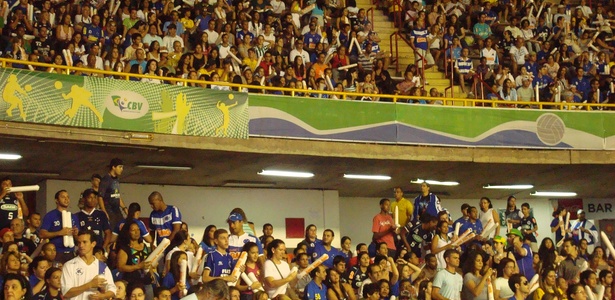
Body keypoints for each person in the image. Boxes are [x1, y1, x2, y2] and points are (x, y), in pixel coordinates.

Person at [61, 230, 117, 300]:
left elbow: (112, 290)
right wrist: (90, 285)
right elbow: (66, 293)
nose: (81, 245)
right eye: (79, 242)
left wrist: (102, 296)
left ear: (93, 244)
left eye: (84, 242)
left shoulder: (102, 267)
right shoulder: (69, 266)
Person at [115, 219, 153, 299]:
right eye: (133, 230)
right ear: (128, 232)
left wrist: (151, 272)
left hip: (146, 282)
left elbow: (147, 262)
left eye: (138, 229)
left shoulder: (144, 246)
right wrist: (138, 266)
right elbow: (120, 267)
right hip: (132, 284)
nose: (137, 232)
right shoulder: (124, 249)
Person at [40, 190, 80, 264]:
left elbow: (78, 240)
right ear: (56, 200)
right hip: (56, 253)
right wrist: (59, 233)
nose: (66, 199)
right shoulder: (50, 215)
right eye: (63, 197)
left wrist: (75, 234)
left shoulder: (73, 217)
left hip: (71, 252)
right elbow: (42, 234)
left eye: (68, 197)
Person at [98, 158, 128, 230]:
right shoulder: (106, 179)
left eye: (122, 167)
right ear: (113, 167)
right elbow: (100, 197)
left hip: (117, 210)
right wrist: (104, 212)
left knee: (122, 229)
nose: (122, 169)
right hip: (109, 211)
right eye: (120, 167)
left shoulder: (116, 179)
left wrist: (124, 208)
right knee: (112, 231)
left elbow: (117, 195)